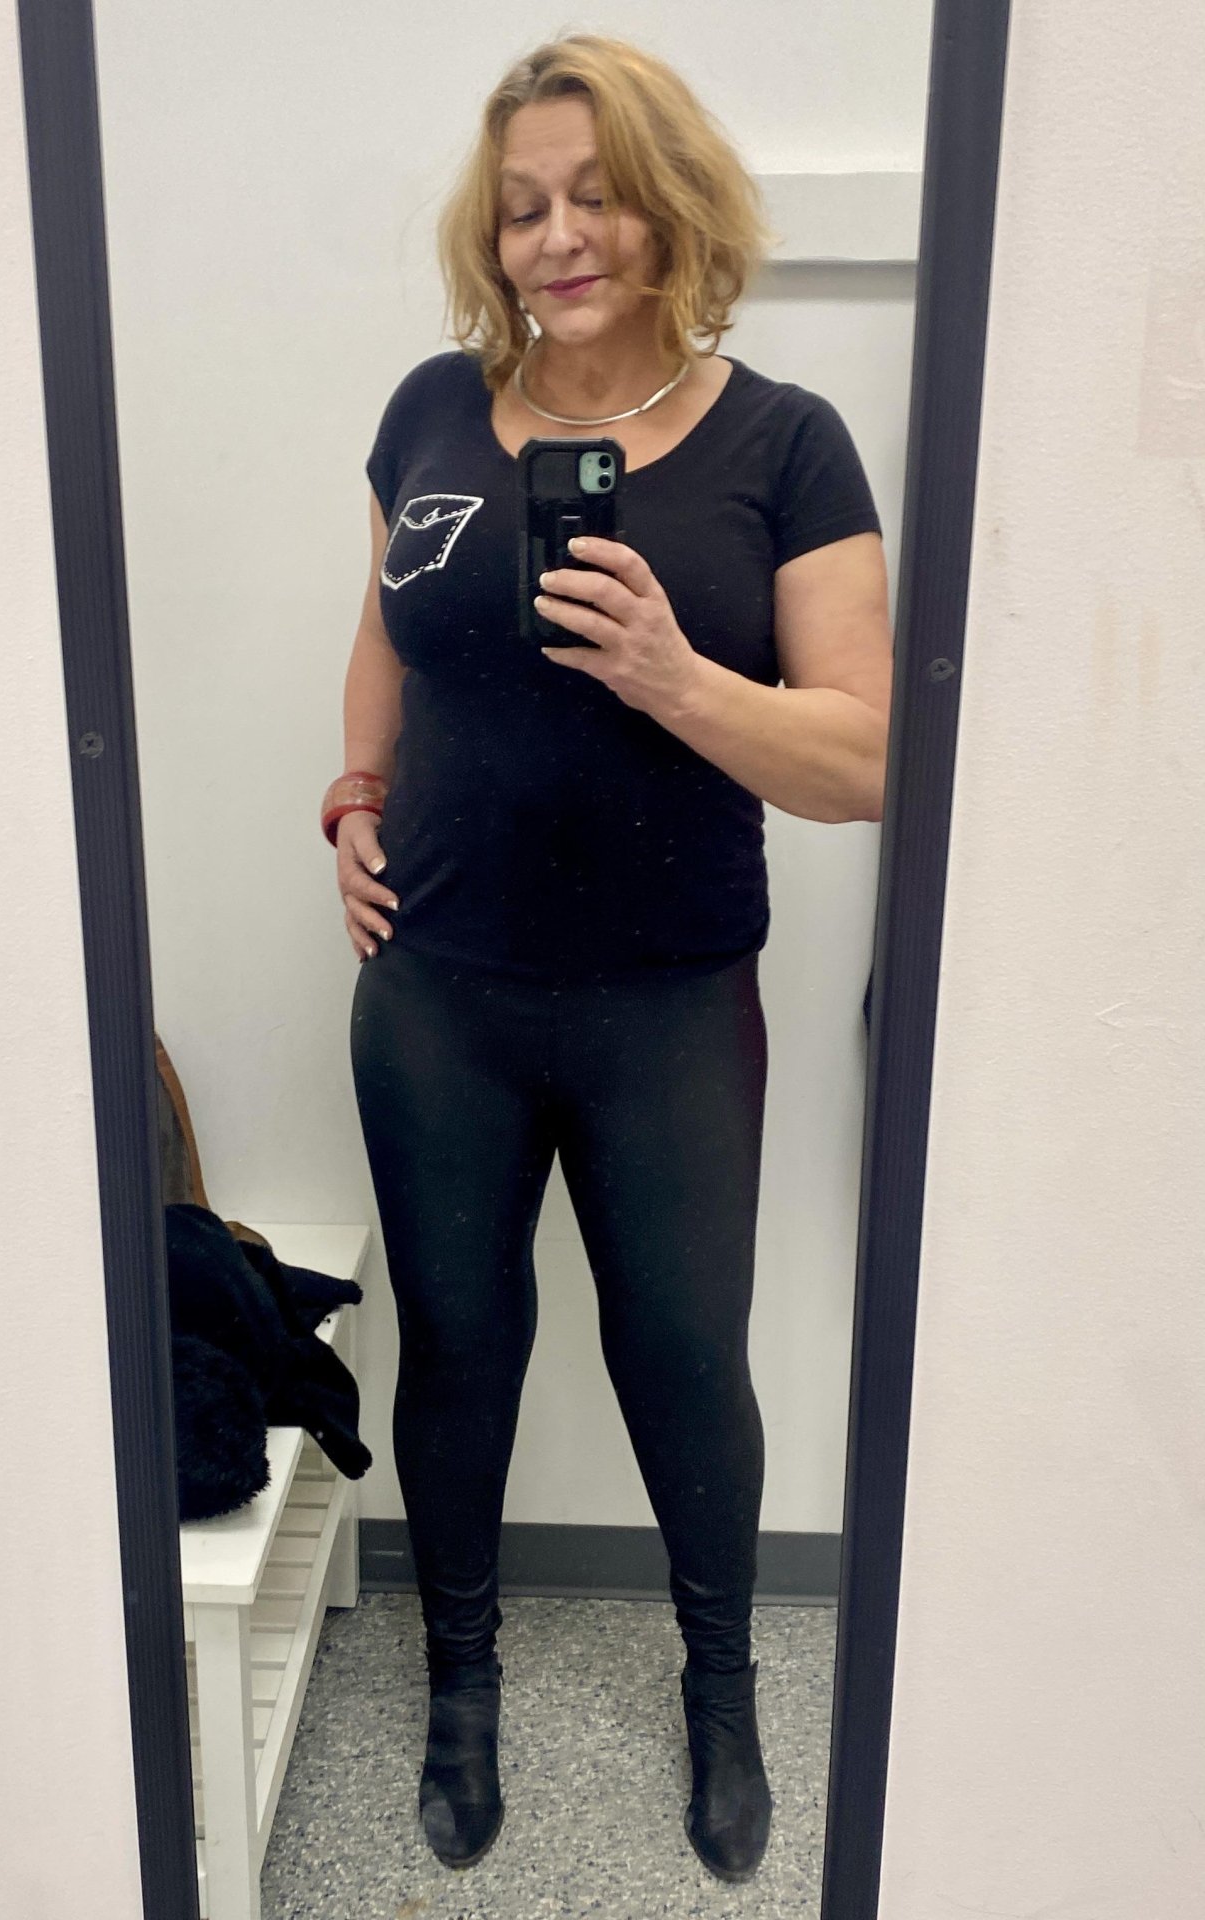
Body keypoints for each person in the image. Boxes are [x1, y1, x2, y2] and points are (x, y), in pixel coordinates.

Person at [325, 32, 892, 1885]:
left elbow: (864, 759)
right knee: (457, 1346)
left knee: (681, 1354)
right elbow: (385, 631)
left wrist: (672, 675)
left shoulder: (782, 444)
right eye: (520, 209)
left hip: (666, 1004)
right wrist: (353, 793)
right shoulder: (429, 409)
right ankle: (460, 1686)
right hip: (439, 994)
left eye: (593, 196)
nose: (555, 238)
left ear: (670, 207)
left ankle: (722, 1693)